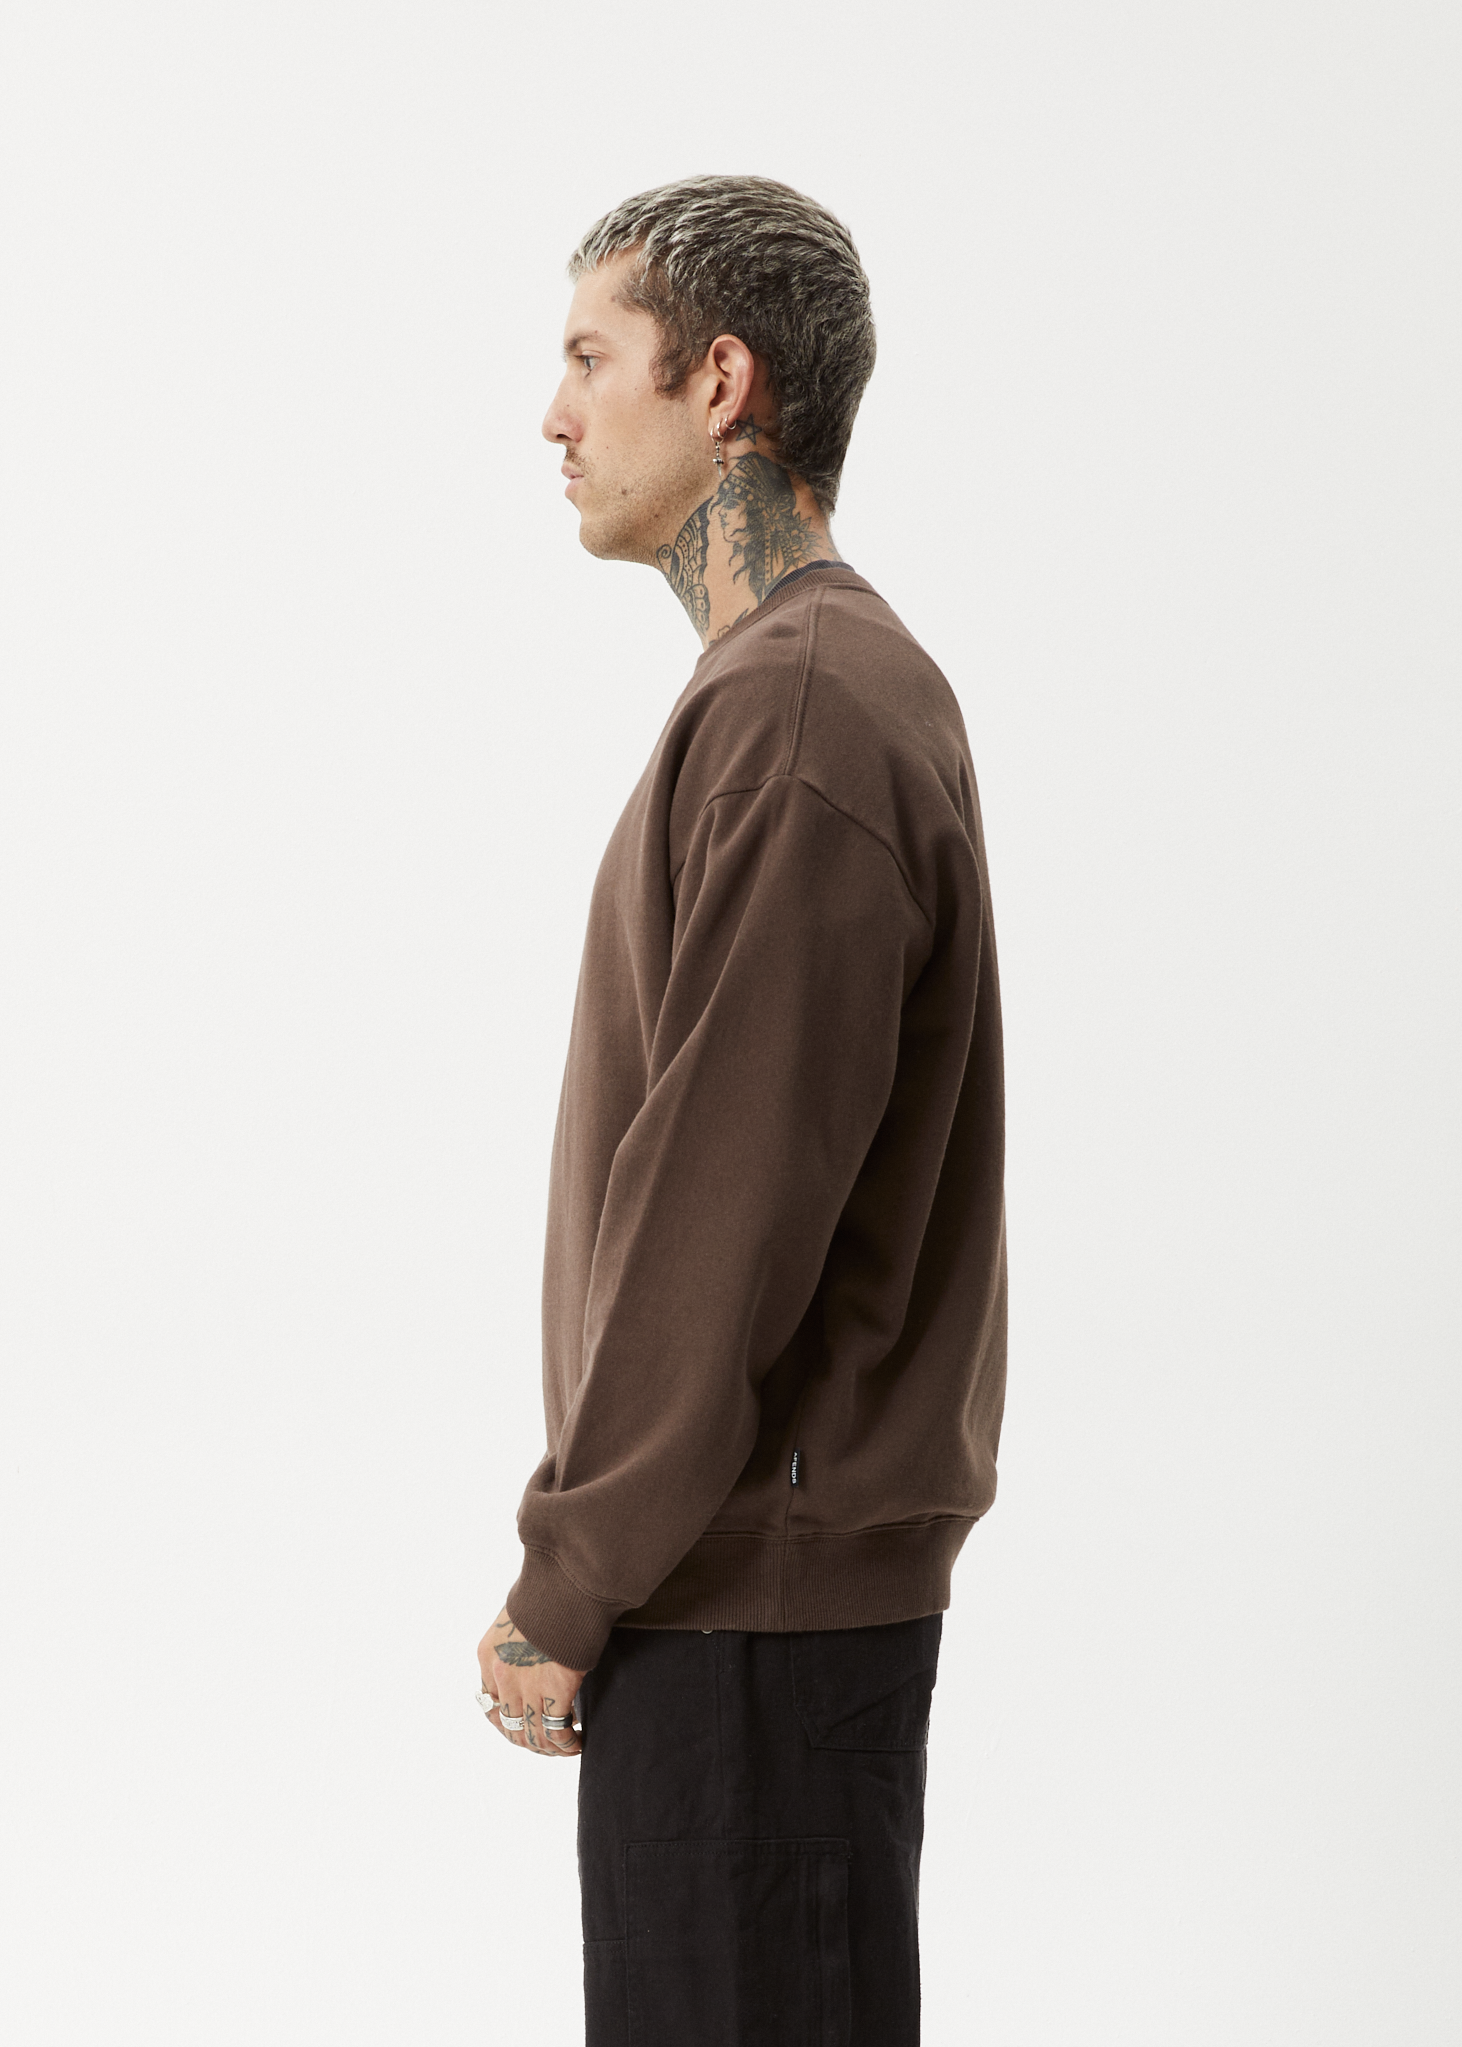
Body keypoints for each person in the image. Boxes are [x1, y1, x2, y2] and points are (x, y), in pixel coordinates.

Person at [475, 174, 1007, 2046]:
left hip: (743, 1614)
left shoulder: (798, 713)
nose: (551, 415)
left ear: (720, 384)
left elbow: (727, 1208)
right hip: (745, 1596)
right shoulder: (804, 691)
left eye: (588, 359)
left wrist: (569, 1573)